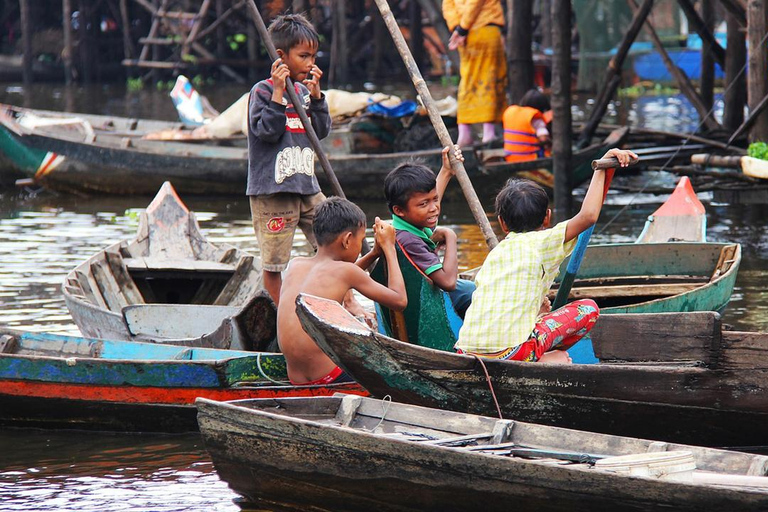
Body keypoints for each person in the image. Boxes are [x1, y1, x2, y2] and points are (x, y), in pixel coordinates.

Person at [455, 148, 639, 363]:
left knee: (541, 312)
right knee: (588, 309)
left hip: (466, 351)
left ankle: (536, 350)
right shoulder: (543, 242)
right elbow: (588, 216)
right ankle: (544, 358)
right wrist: (601, 166)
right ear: (547, 219)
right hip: (511, 353)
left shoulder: (496, 254)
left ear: (502, 223)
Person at [247, 13, 330, 306]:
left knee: (333, 239)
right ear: (280, 56)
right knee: (274, 261)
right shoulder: (263, 91)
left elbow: (319, 133)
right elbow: (266, 132)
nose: (310, 63)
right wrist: (279, 93)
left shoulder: (305, 92)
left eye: (313, 56)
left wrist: (318, 99)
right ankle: (282, 313)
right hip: (274, 190)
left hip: (307, 186)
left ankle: (346, 301)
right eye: (303, 56)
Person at [277, 197, 408, 385]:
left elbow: (343, 276)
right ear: (347, 240)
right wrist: (389, 249)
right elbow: (399, 300)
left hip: (296, 378)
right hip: (328, 377)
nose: (361, 245)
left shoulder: (295, 265)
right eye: (361, 240)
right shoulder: (346, 272)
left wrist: (373, 254)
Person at [383, 145, 474, 318]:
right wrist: (450, 236)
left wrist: (446, 171)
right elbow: (448, 282)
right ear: (399, 210)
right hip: (423, 305)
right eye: (424, 204)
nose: (434, 208)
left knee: (471, 287)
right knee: (473, 292)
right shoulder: (409, 239)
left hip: (422, 295)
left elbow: (427, 199)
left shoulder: (408, 223)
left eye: (435, 200)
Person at [443, 0, 508, 147]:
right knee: (489, 78)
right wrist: (462, 28)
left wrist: (457, 28)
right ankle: (488, 134)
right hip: (484, 28)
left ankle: (464, 132)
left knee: (468, 80)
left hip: (464, 35)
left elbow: (448, 6)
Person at [502, 88, 553, 163]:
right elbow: (543, 139)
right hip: (529, 158)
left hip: (510, 157)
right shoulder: (536, 119)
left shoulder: (510, 112)